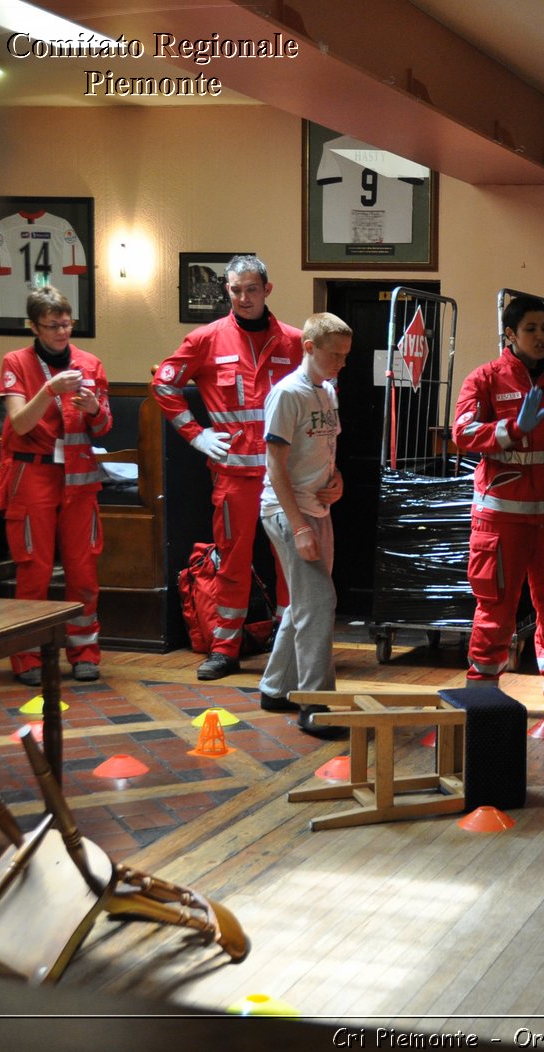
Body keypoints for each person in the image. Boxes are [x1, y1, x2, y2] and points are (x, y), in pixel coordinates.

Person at [155, 254, 299, 681]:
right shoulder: (205, 339)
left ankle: (288, 641)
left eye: (251, 289)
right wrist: (196, 435)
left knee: (288, 563)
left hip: (282, 479)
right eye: (235, 290)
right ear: (227, 291)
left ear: (267, 289)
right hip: (234, 476)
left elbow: (319, 397)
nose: (243, 297)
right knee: (231, 563)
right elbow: (163, 384)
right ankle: (224, 648)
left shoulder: (293, 342)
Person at [454, 295, 544, 718]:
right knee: (495, 606)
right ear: (510, 334)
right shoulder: (485, 379)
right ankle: (482, 691)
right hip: (503, 517)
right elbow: (463, 433)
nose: (541, 337)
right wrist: (512, 429)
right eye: (531, 329)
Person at [0, 286, 112, 685]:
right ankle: (27, 657)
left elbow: (104, 425)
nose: (62, 332)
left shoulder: (90, 363)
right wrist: (50, 391)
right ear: (33, 326)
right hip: (34, 476)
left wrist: (95, 409)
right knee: (35, 570)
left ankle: (84, 652)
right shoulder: (16, 362)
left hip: (79, 479)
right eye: (52, 326)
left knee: (83, 571)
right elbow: (21, 423)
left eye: (67, 324)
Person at [257, 313, 349, 739]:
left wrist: (337, 482)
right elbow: (274, 465)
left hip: (318, 508)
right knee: (319, 603)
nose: (341, 363)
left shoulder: (327, 392)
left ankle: (275, 688)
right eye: (334, 354)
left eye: (346, 356)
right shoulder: (287, 394)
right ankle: (314, 704)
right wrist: (298, 527)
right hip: (286, 509)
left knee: (305, 602)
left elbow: (327, 451)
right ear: (308, 348)